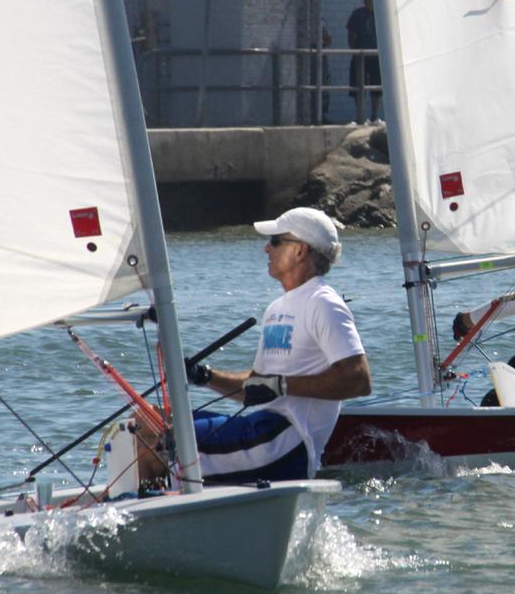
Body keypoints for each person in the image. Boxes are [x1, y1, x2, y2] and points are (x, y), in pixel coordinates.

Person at [138, 207, 371, 486]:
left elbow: (358, 380)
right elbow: (257, 384)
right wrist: (204, 376)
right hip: (261, 428)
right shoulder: (277, 308)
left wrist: (281, 386)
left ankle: (142, 518)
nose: (266, 249)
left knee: (158, 443)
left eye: (275, 241)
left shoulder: (324, 302)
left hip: (287, 441)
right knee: (147, 420)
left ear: (300, 251)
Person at [346, 0, 381, 122]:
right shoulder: (357, 14)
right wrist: (355, 50)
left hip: (376, 56)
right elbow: (351, 34)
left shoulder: (381, 14)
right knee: (358, 85)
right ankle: (361, 115)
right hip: (360, 55)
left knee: (376, 86)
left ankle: (375, 115)